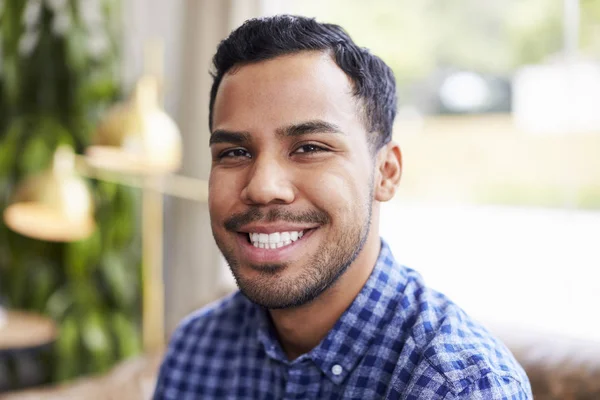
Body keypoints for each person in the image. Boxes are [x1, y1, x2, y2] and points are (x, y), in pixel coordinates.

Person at [153, 15, 532, 399]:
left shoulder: (460, 386)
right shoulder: (194, 349)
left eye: (309, 148)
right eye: (235, 152)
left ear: (386, 173)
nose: (263, 187)